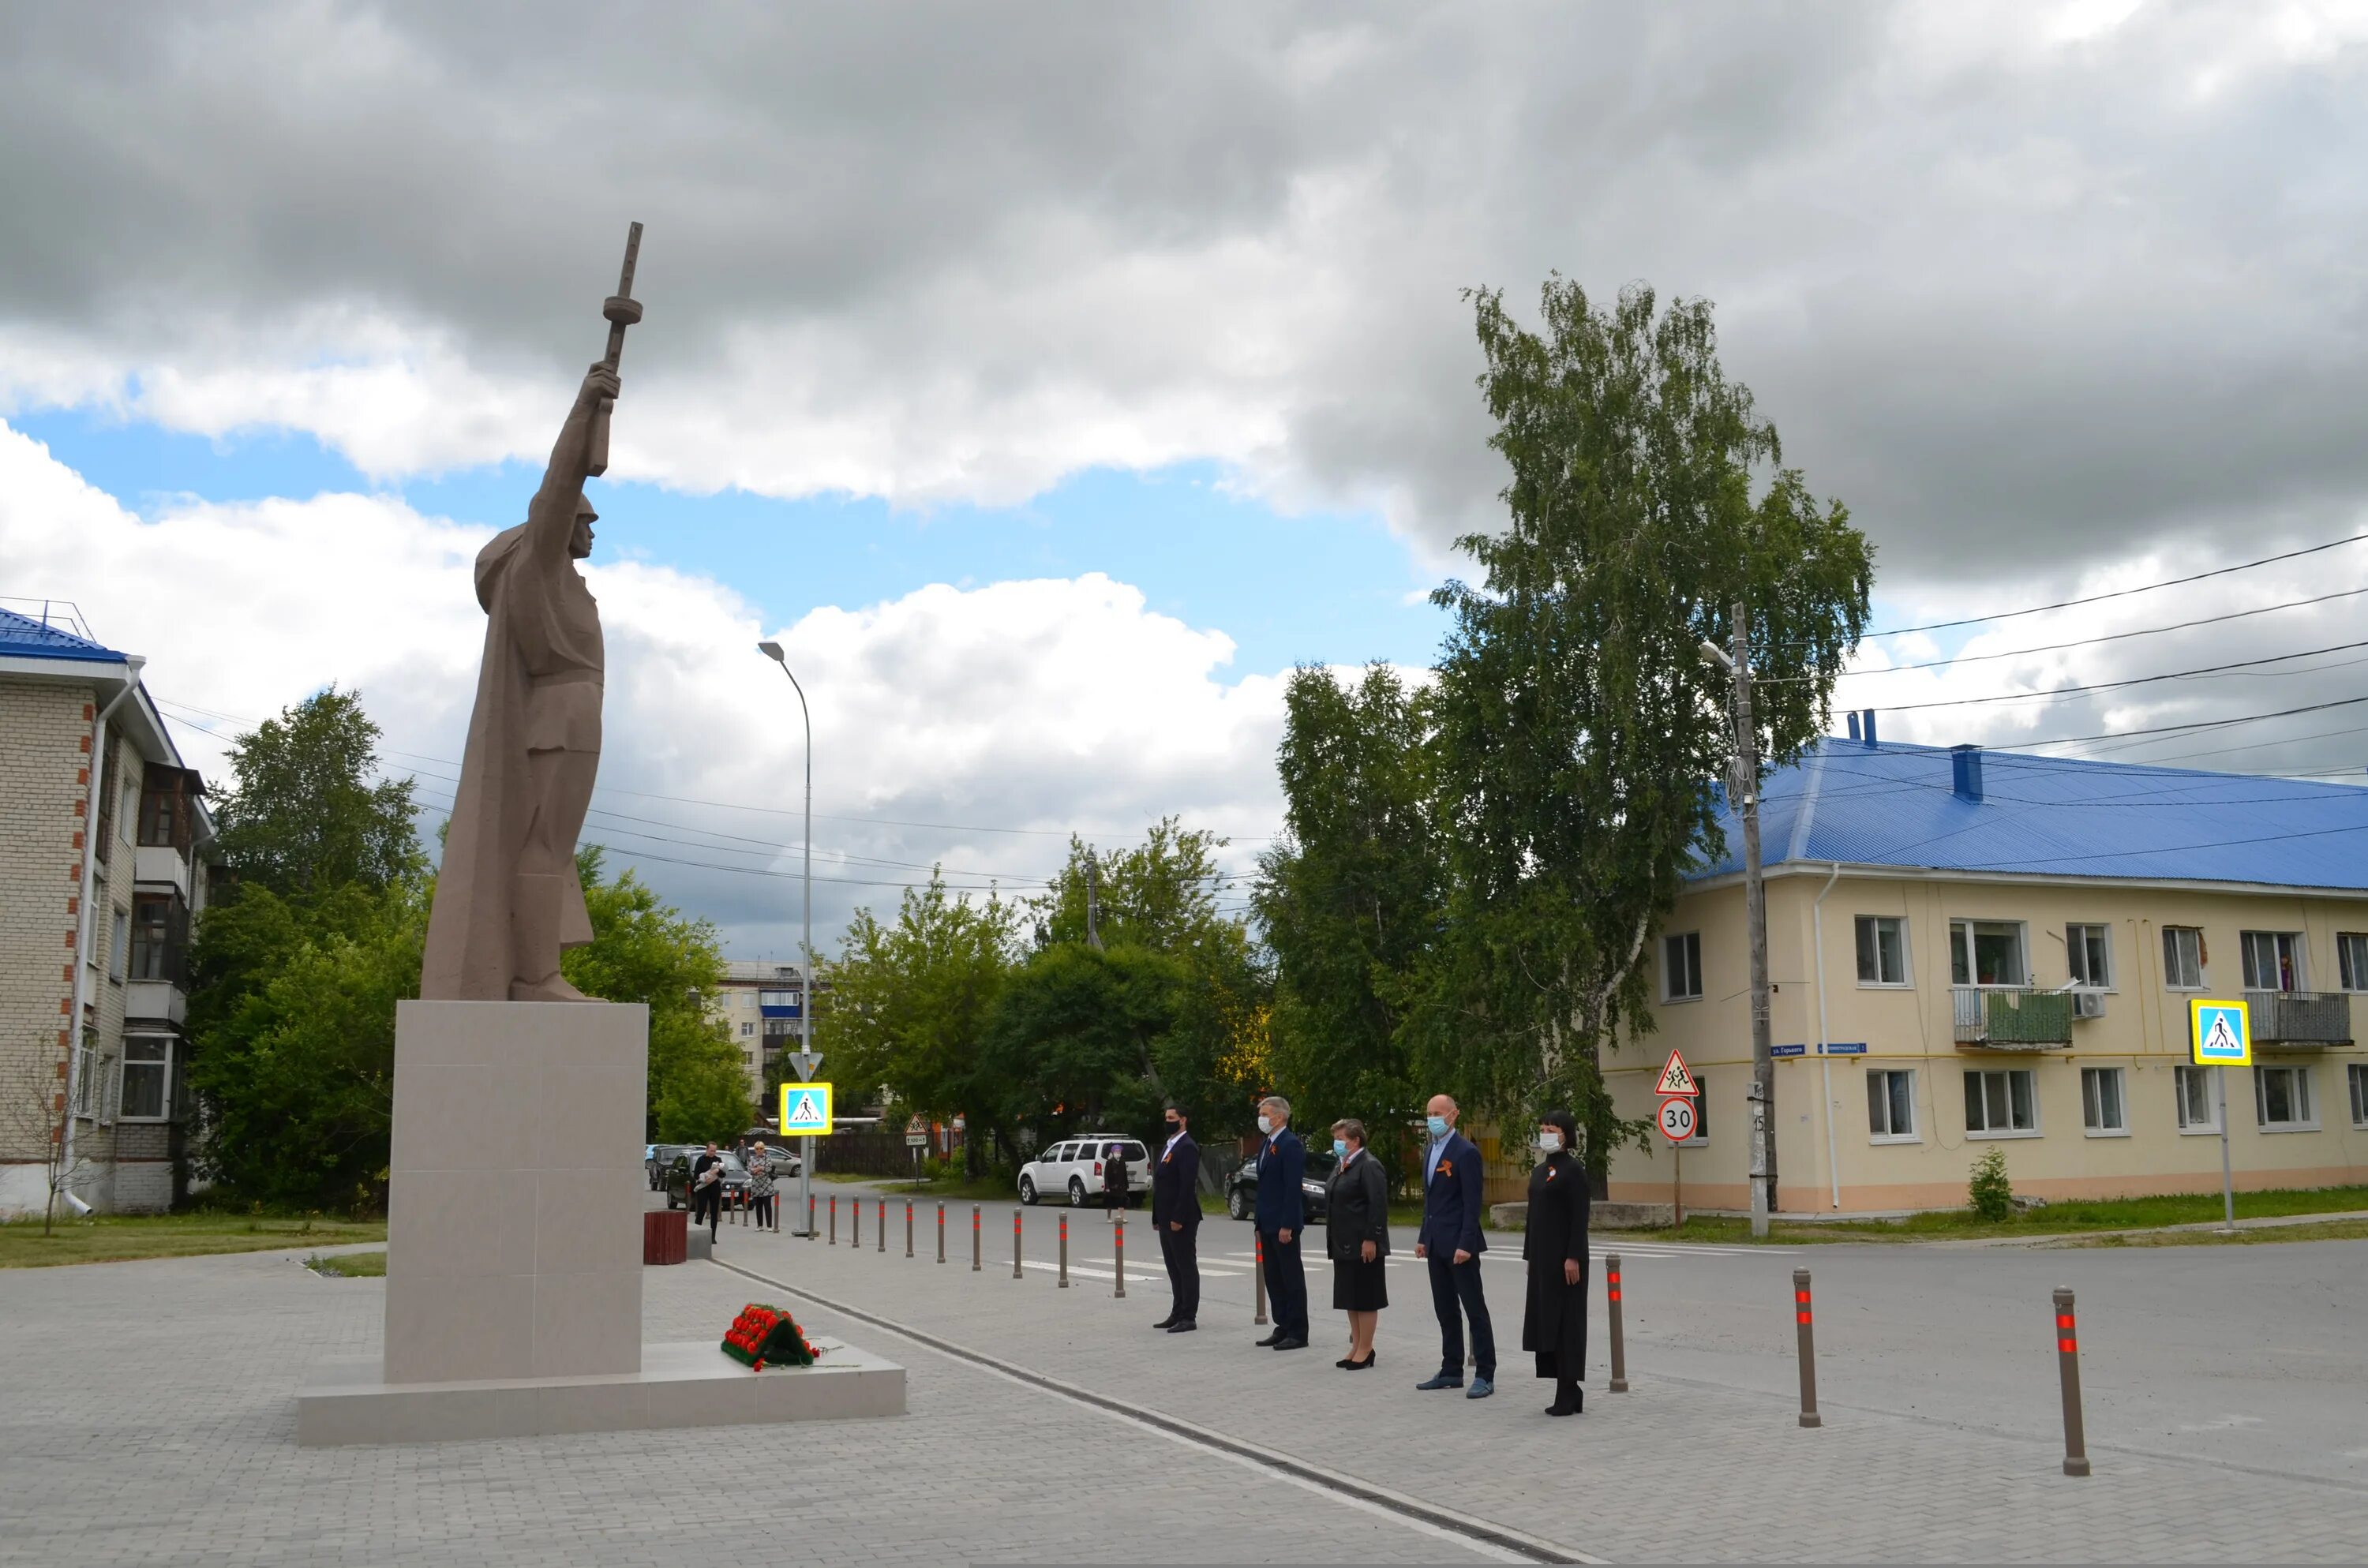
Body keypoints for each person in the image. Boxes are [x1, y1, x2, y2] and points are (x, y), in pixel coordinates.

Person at [1414, 1094, 1495, 1398]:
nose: (1433, 1117)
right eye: (1429, 1112)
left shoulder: (1466, 1153)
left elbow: (1472, 1204)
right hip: (1436, 1244)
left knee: (1474, 1310)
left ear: (1454, 1115)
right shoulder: (1430, 1150)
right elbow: (1431, 1201)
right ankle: (1451, 1370)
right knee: (1445, 1309)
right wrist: (1424, 1237)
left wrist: (1466, 1243)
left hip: (1460, 1246)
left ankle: (1485, 1374)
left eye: (1439, 1112)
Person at [1521, 1110, 1591, 1416]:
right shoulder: (1540, 1170)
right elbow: (1532, 1217)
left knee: (1567, 1323)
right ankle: (1563, 1388)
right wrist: (1529, 1257)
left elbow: (1579, 1217)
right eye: (1543, 1127)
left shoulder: (1574, 1171)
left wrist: (1573, 1256)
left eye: (1551, 1128)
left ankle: (1569, 1389)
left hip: (1566, 1260)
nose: (1546, 1132)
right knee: (1547, 1322)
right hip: (1542, 1260)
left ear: (1565, 1134)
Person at [1323, 1118, 1388, 1369]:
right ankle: (1356, 1345)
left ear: (1356, 1140)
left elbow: (1377, 1204)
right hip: (1343, 1242)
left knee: (1366, 1296)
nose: (1337, 1143)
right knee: (1350, 1297)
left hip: (1363, 1243)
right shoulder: (1343, 1164)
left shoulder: (1369, 1165)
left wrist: (1372, 1238)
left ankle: (1366, 1348)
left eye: (1341, 1139)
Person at [1251, 1095, 1309, 1350]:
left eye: (1265, 1114)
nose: (1262, 1119)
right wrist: (1258, 1224)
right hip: (1267, 1222)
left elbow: (1291, 1188)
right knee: (1273, 1277)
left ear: (1280, 1116)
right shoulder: (1267, 1143)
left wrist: (1288, 1224)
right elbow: (1264, 1187)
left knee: (1290, 1277)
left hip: (1283, 1225)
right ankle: (1282, 1325)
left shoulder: (1290, 1144)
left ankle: (1298, 1331)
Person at [1149, 1104, 1201, 1332]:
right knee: (1173, 1267)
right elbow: (1161, 1185)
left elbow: (1186, 1185)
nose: (1167, 1120)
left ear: (1183, 1120)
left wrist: (1178, 1217)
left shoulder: (1187, 1147)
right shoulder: (1169, 1146)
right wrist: (1156, 1216)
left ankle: (1188, 1316)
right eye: (1166, 1117)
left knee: (1185, 1266)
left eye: (1172, 1117)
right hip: (1165, 1217)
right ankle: (1177, 1311)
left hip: (1182, 1218)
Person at [690, 1141, 725, 1244]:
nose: (713, 1153)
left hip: (715, 1188)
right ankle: (697, 1235)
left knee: (714, 1213)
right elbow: (696, 1175)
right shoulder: (701, 1160)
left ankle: (712, 1237)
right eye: (711, 1151)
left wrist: (718, 1171)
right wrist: (704, 1179)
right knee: (701, 1211)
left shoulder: (718, 1160)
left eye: (714, 1151)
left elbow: (723, 1174)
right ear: (707, 1150)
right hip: (703, 1188)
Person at [747, 1141, 780, 1233]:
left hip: (766, 1185)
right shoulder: (752, 1159)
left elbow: (769, 1168)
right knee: (758, 1206)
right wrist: (760, 1168)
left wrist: (758, 1168)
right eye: (757, 1149)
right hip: (756, 1185)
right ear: (755, 1150)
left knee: (767, 1206)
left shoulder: (767, 1157)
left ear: (764, 1149)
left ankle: (769, 1226)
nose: (759, 1150)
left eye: (761, 1148)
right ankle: (759, 1225)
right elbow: (750, 1170)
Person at [1102, 1139, 1130, 1222]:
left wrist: (1126, 1184)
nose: (1118, 1153)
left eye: (1119, 1151)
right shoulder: (1109, 1162)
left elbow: (1125, 1173)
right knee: (1110, 1202)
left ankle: (1121, 1217)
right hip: (1111, 1185)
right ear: (1113, 1152)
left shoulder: (1122, 1162)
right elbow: (1106, 1175)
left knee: (1122, 1201)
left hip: (1121, 1185)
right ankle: (1109, 1217)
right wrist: (1107, 1186)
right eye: (1116, 1151)